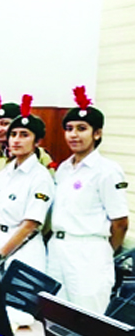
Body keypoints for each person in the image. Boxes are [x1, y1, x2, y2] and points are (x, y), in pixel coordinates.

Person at [47, 86, 129, 314]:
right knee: (55, 313)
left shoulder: (107, 170)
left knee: (87, 316)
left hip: (89, 251)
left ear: (97, 133)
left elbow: (120, 222)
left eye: (82, 129)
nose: (74, 135)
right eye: (69, 129)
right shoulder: (64, 168)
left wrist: (102, 251)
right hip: (57, 249)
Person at [0, 96, 54, 273]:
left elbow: (30, 225)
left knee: (17, 301)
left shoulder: (40, 176)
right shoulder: (5, 172)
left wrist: (0, 255)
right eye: (13, 135)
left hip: (24, 249)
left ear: (37, 141)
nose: (16, 140)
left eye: (24, 135)